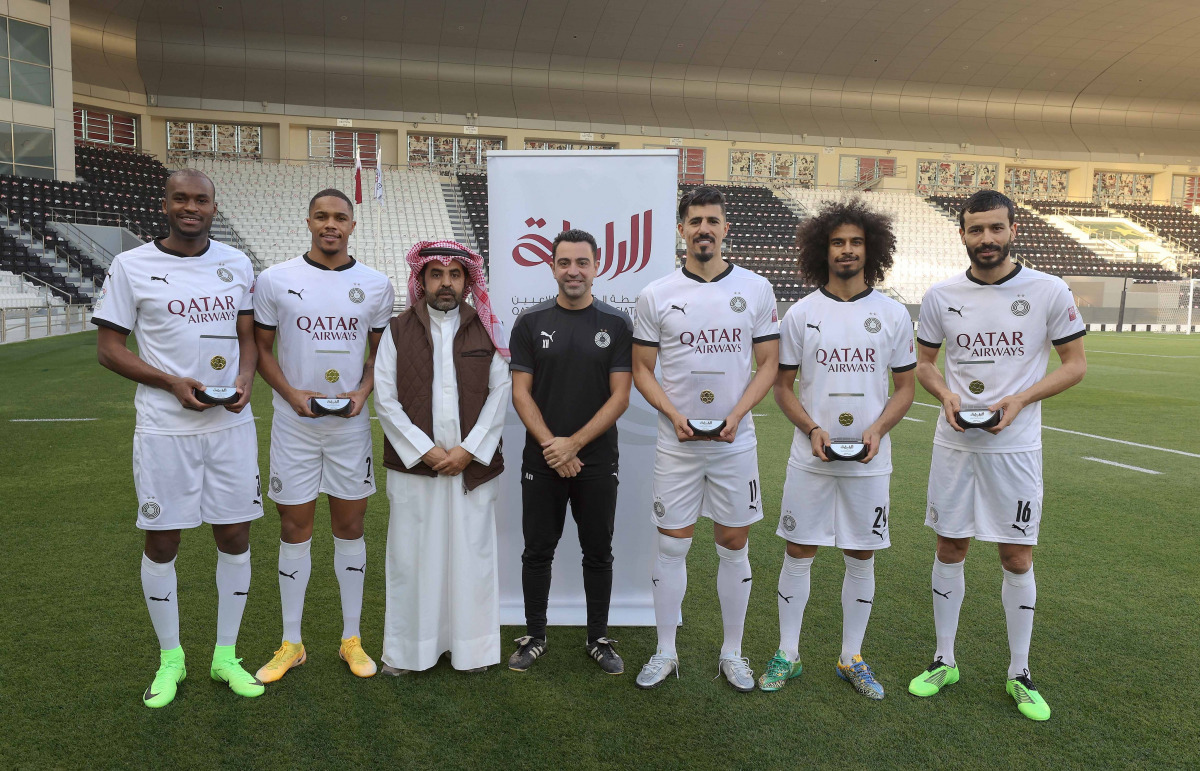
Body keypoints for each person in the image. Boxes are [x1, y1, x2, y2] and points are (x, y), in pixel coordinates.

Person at [908, 189, 1086, 721]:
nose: (986, 239)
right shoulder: (941, 296)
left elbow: (1074, 364)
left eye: (995, 228)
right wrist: (944, 395)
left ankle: (1019, 673)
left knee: (1016, 556)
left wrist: (1021, 398)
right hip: (956, 445)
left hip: (1016, 448)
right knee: (950, 546)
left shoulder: (1049, 290)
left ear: (1013, 230)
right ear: (962, 234)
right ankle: (944, 659)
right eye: (975, 230)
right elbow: (923, 364)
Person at [92, 169, 263, 707]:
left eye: (202, 200)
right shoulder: (132, 265)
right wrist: (171, 382)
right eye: (181, 199)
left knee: (234, 535)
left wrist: (245, 380)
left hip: (230, 426)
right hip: (165, 430)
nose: (192, 207)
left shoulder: (236, 262)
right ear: (165, 205)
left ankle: (225, 655)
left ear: (215, 207)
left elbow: (248, 337)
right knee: (163, 540)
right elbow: (109, 349)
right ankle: (171, 658)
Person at [758, 199, 915, 699]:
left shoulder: (891, 313)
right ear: (820, 250)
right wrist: (810, 429)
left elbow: (907, 388)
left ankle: (852, 657)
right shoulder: (801, 314)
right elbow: (782, 386)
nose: (846, 250)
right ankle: (788, 653)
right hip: (812, 456)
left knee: (860, 553)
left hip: (869, 460)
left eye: (855, 242)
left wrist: (878, 430)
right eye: (837, 242)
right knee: (798, 550)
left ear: (871, 249)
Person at [631, 185, 779, 691]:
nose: (704, 230)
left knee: (733, 543)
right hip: (678, 443)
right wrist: (673, 414)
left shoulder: (756, 288)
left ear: (725, 227)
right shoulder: (657, 294)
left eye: (712, 221)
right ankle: (665, 650)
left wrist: (738, 414)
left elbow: (769, 364)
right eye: (695, 222)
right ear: (682, 230)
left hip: (735, 442)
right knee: (672, 545)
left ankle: (732, 653)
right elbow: (643, 369)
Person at [251, 189, 394, 683]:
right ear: (308, 221)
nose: (330, 224)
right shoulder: (275, 280)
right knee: (294, 529)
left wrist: (363, 393)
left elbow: (382, 357)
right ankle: (292, 642)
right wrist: (291, 394)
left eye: (340, 217)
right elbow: (261, 350)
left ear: (352, 224)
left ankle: (350, 639)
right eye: (321, 216)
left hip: (350, 428)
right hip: (295, 426)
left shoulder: (376, 285)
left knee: (350, 528)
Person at [374, 240, 511, 674]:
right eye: (437, 274)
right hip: (417, 468)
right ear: (422, 279)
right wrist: (427, 451)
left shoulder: (486, 329)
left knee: (472, 559)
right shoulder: (397, 330)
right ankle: (409, 652)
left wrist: (468, 451)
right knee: (412, 559)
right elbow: (385, 399)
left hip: (473, 468)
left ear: (469, 281)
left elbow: (500, 393)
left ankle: (473, 651)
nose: (446, 283)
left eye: (455, 274)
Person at [507, 229, 633, 675]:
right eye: (565, 263)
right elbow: (520, 393)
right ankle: (535, 635)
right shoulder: (530, 322)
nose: (573, 271)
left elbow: (620, 397)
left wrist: (573, 444)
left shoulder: (616, 324)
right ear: (553, 267)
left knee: (598, 550)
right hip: (541, 459)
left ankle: (598, 637)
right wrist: (551, 446)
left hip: (596, 460)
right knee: (537, 550)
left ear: (597, 267)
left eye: (582, 262)